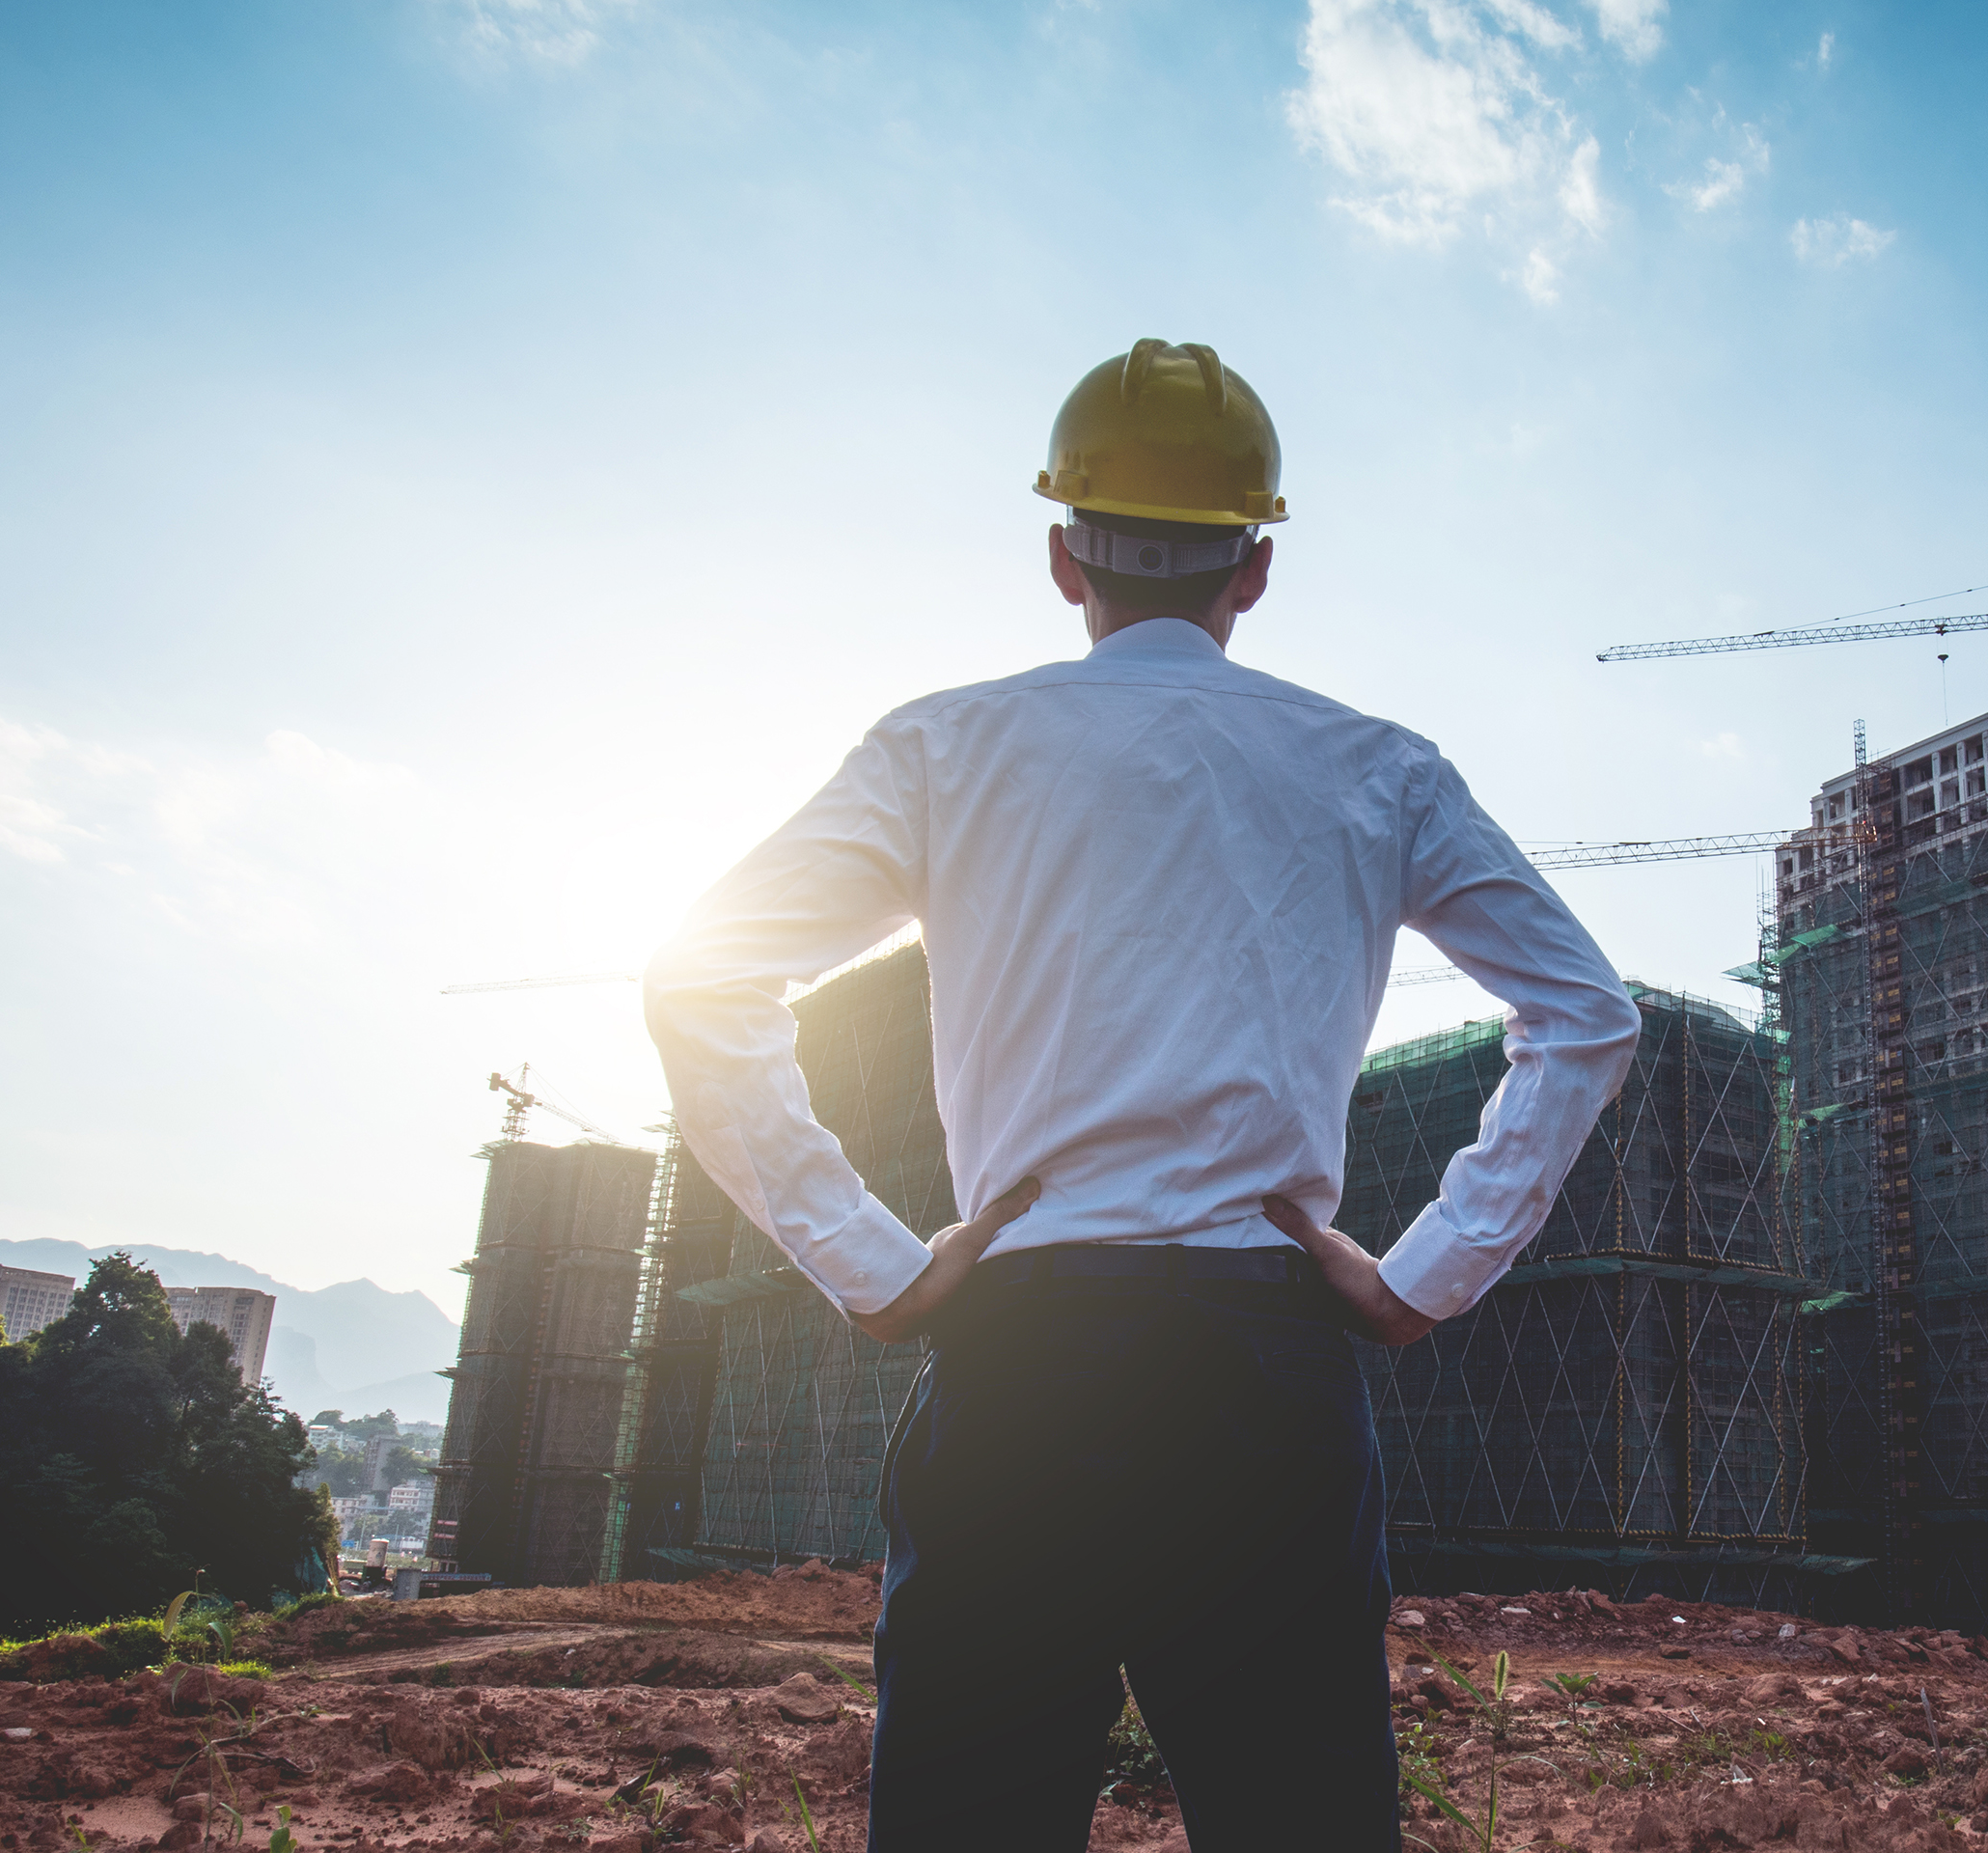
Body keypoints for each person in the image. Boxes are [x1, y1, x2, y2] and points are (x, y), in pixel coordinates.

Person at [643, 338, 1640, 1850]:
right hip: (1265, 1369)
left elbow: (699, 978)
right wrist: (1426, 1276)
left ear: (1062, 559)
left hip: (1027, 1359)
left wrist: (872, 1264)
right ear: (1254, 571)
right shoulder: (1376, 768)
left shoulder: (943, 748)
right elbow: (1586, 1012)